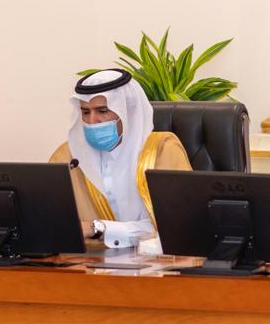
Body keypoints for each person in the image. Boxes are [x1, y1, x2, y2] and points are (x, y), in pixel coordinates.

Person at [49, 68, 191, 248]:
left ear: (128, 111)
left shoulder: (162, 149)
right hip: (89, 260)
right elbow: (51, 221)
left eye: (102, 111)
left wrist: (98, 228)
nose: (92, 121)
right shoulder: (68, 157)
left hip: (154, 260)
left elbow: (179, 224)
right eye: (85, 112)